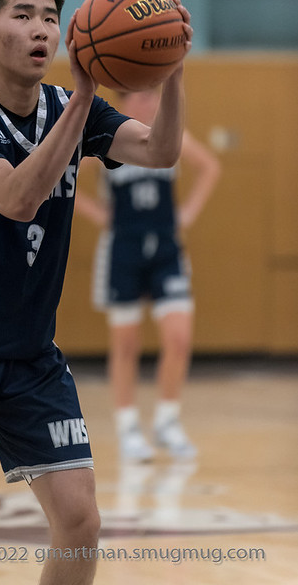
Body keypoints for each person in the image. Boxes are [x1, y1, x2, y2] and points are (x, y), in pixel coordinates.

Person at [0, 0, 192, 585]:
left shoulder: (68, 108)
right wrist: (84, 98)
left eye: (52, 19)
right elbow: (15, 198)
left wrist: (172, 72)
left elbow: (161, 152)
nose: (41, 30)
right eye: (24, 16)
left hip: (30, 354)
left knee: (81, 521)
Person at [75, 87, 221, 462]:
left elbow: (210, 166)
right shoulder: (108, 138)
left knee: (179, 337)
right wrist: (100, 216)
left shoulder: (169, 132)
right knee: (125, 343)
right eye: (141, 95)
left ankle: (168, 422)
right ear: (123, 100)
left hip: (166, 248)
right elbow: (68, 177)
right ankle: (128, 430)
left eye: (153, 94)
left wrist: (186, 214)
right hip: (123, 248)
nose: (149, 101)